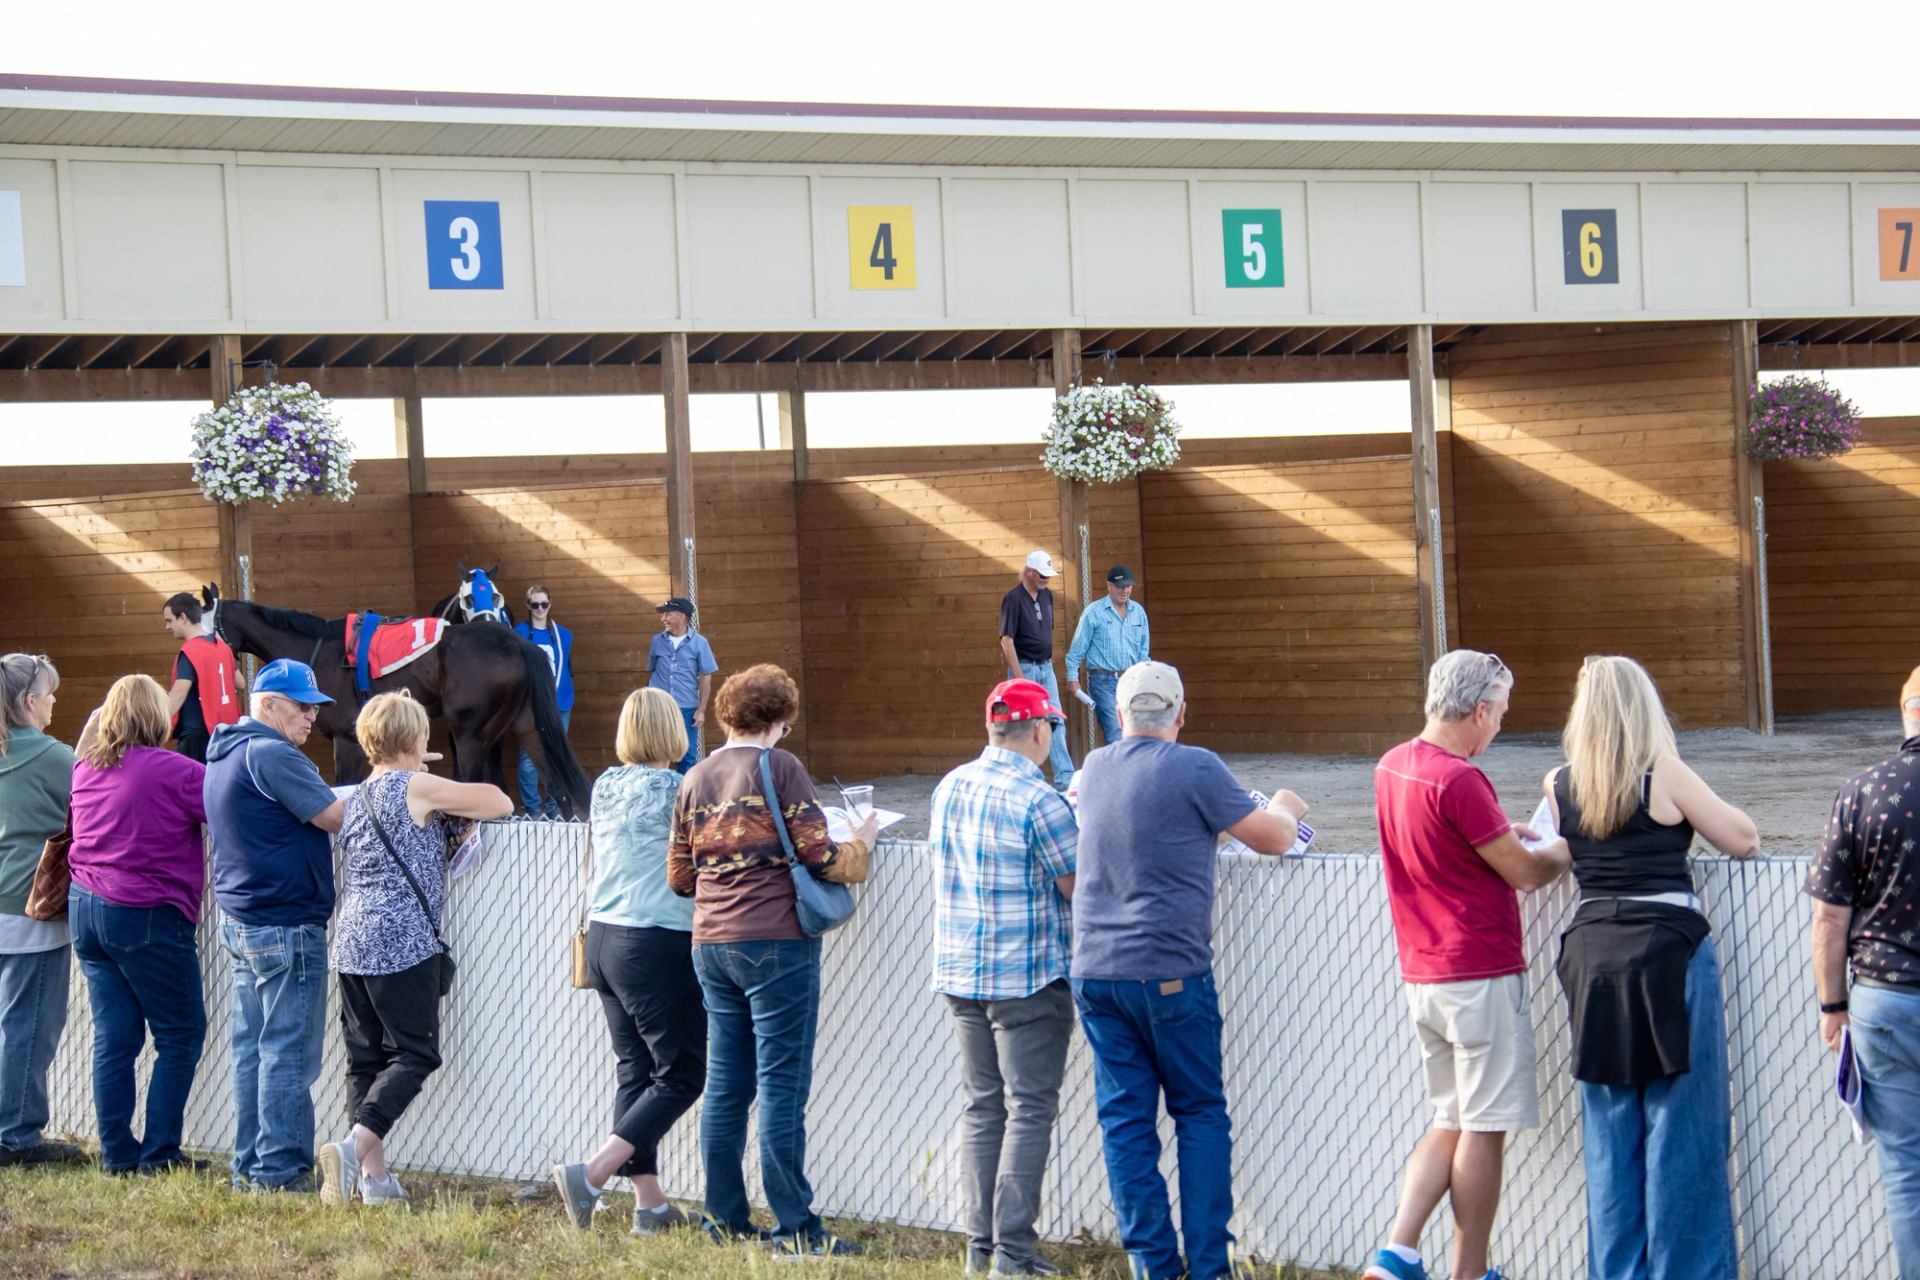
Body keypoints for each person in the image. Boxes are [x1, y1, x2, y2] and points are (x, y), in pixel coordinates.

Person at [1071, 660, 1307, 1280]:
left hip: (1096, 970)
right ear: (1180, 713)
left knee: (1125, 1122)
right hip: (1170, 970)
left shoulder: (1093, 768)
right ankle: (1208, 1267)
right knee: (1199, 1113)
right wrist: (1286, 803)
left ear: (1119, 716)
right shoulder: (1196, 765)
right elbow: (1275, 838)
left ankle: (1152, 1263)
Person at [1545, 656, 1757, 1280]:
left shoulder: (1559, 783)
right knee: (1682, 1128)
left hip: (1591, 961)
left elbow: (1556, 849)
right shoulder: (1663, 773)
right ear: (1645, 709)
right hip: (1667, 955)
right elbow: (1743, 838)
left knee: (1611, 1132)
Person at [1365, 650, 1571, 1280]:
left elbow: (1446, 842)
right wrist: (1561, 851)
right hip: (1477, 969)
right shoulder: (1460, 779)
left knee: (1449, 1117)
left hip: (1423, 970)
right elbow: (1526, 873)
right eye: (1500, 714)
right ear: (1478, 709)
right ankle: (1470, 1271)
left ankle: (1397, 1252)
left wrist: (1497, 830)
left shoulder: (1392, 765)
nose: (1500, 726)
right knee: (1484, 1130)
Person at [667, 663, 877, 1256]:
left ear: (728, 713)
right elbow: (820, 856)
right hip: (776, 943)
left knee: (728, 1086)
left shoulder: (696, 777)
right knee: (783, 1085)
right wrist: (863, 842)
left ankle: (724, 1218)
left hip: (711, 946)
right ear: (781, 718)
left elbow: (680, 876)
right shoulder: (780, 767)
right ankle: (796, 1228)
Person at [317, 691, 511, 1206]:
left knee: (364, 1063)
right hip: (401, 942)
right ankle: (352, 1147)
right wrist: (426, 773)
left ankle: (373, 1180)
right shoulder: (418, 787)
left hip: (352, 941)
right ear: (416, 739)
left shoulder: (355, 796)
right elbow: (500, 800)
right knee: (415, 1054)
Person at [928, 678, 1081, 1277]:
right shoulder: (1041, 800)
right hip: (1027, 978)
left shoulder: (951, 786)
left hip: (961, 973)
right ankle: (1013, 1253)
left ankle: (979, 1250)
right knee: (1030, 1108)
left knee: (984, 1107)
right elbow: (1077, 885)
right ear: (1040, 731)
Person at [552, 687, 706, 1236]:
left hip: (603, 939)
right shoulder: (683, 788)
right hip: (655, 940)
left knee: (636, 1069)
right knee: (684, 1072)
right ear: (673, 730)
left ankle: (650, 1206)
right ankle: (590, 1175)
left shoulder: (607, 785)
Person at [204, 657, 346, 1193]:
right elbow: (335, 818)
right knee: (286, 1051)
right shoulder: (274, 754)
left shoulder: (227, 751)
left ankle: (251, 1168)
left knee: (253, 1049)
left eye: (316, 707)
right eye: (302, 706)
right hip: (285, 926)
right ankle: (282, 1172)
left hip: (244, 922)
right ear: (267, 705)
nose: (313, 716)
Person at [67, 674, 213, 1175]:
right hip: (145, 912)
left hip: (85, 909)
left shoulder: (86, 767)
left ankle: (116, 1154)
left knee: (115, 1039)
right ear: (158, 717)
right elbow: (229, 808)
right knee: (180, 1033)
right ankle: (160, 1154)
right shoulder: (176, 770)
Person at [1807, 664, 1920, 1279]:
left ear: (1906, 712)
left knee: (1907, 1171)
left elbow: (1828, 920)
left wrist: (1833, 1007)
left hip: (1885, 1005)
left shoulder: (1863, 792)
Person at [0, 653, 83, 1167]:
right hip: (28, 912)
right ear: (30, 702)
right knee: (29, 1025)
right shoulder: (56, 758)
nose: (54, 701)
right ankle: (17, 1135)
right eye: (50, 694)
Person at [998, 551, 1073, 789]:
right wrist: (1020, 679)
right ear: (1029, 572)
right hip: (1027, 668)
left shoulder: (1046, 596)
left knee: (1055, 719)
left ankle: (1065, 777)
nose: (1046, 579)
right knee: (1027, 723)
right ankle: (1025, 776)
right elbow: (1006, 641)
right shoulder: (1013, 599)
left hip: (1045, 667)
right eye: (1042, 575)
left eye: (1047, 575)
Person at [1064, 566, 1150, 748]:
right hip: (1103, 680)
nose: (1125, 590)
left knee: (1134, 730)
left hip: (1132, 679)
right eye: (1120, 586)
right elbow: (1077, 650)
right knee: (1114, 729)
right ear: (1109, 586)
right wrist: (1072, 677)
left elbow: (1143, 652)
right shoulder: (1093, 612)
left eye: (1128, 586)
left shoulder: (1139, 612)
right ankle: (1118, 773)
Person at [512, 583, 575, 818]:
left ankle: (552, 806)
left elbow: (567, 668)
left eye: (544, 604)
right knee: (529, 759)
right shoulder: (518, 634)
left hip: (560, 703)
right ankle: (532, 809)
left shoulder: (563, 635)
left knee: (555, 755)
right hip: (530, 706)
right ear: (528, 606)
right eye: (535, 604)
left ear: (550, 605)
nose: (540, 609)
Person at [162, 591, 242, 765]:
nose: (167, 627)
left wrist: (155, 721)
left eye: (169, 621)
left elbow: (179, 693)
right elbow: (240, 683)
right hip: (226, 733)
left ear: (182, 617)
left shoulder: (191, 651)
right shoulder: (222, 647)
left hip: (197, 737)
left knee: (192, 790)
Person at [648, 597, 717, 776]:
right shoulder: (657, 641)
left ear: (682, 616)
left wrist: (701, 709)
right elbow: (652, 671)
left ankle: (685, 798)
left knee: (688, 756)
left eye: (668, 614)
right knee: (656, 752)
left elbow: (706, 677)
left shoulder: (700, 643)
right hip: (660, 707)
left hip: (687, 707)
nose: (664, 619)